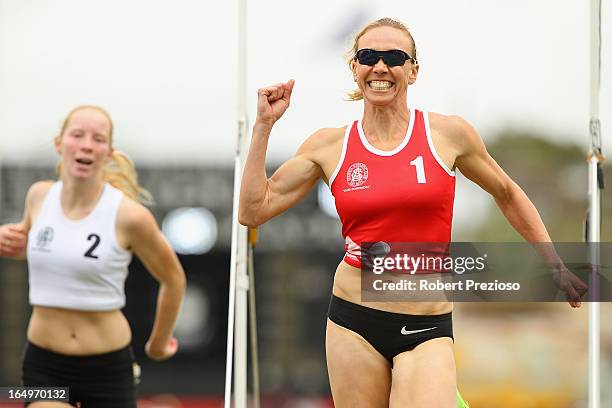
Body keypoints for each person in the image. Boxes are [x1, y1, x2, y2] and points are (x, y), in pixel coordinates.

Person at [239, 17, 588, 407]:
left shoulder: (448, 135)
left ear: (413, 70)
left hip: (426, 324)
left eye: (394, 57)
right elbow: (254, 210)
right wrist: (263, 127)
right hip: (352, 320)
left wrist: (554, 262)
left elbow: (507, 193)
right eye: (368, 56)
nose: (380, 67)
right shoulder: (329, 146)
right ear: (355, 68)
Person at [0, 105, 186, 407]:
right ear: (59, 144)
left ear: (109, 153)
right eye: (77, 135)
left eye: (98, 139)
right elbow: (31, 247)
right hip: (42, 365)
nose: (87, 144)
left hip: (108, 368)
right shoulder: (38, 195)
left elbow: (173, 278)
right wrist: (7, 240)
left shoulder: (130, 217)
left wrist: (160, 342)